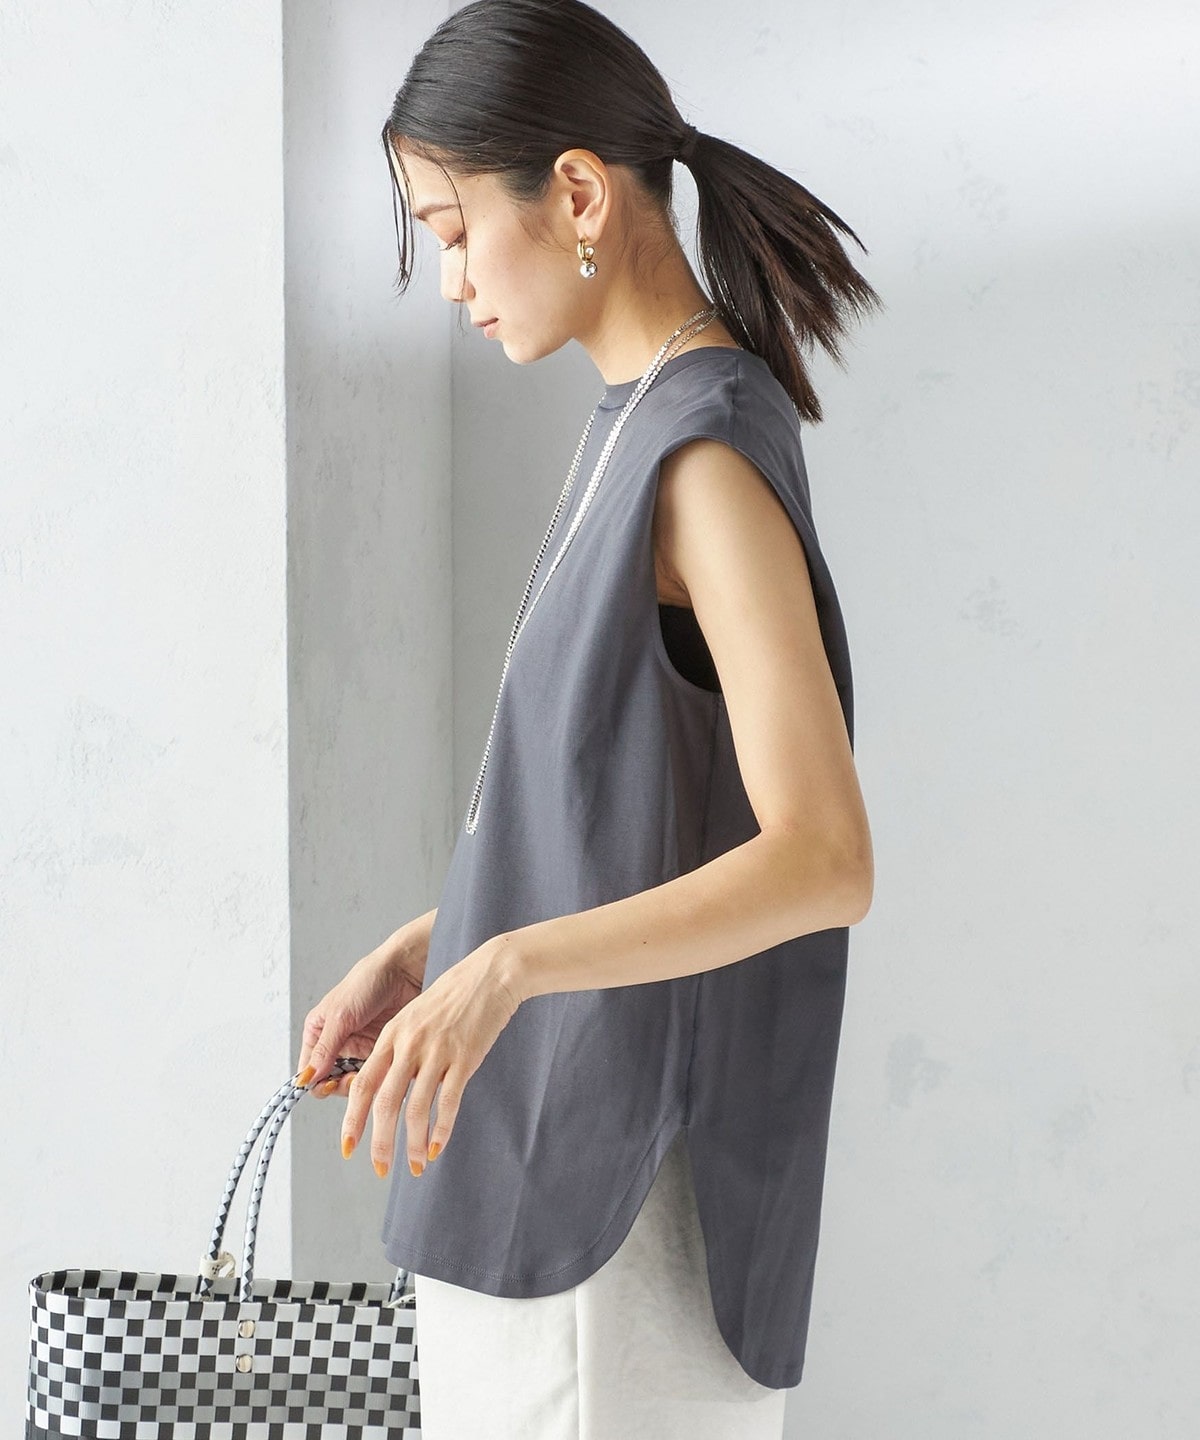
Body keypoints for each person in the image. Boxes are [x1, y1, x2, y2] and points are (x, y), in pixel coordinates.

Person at [294, 1, 878, 1435]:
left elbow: (823, 859)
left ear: (574, 194)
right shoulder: (636, 422)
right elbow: (629, 816)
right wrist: (443, 940)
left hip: (611, 1223)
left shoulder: (702, 454)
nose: (449, 281)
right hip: (542, 1183)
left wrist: (507, 968)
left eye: (448, 230)